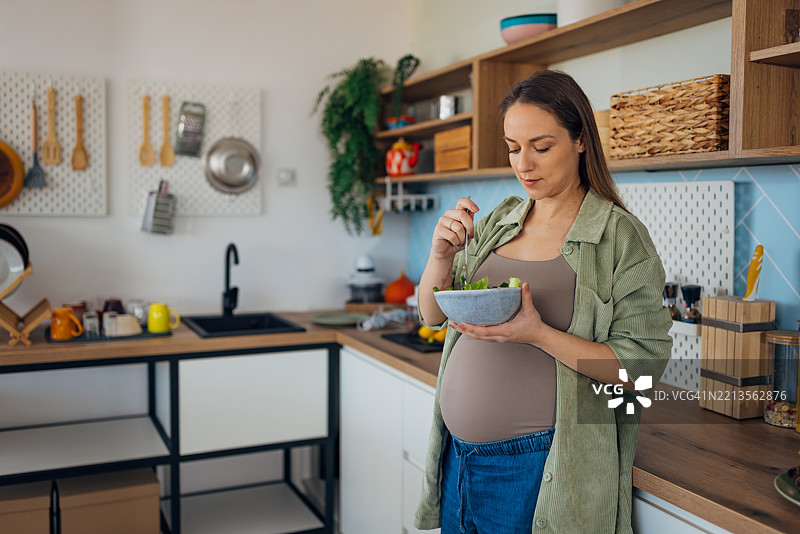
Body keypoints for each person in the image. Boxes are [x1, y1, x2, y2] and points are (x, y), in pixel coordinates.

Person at [413, 70, 673, 534]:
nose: (523, 164)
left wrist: (537, 334)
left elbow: (641, 368)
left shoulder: (619, 237)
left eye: (541, 146)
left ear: (579, 141)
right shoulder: (501, 219)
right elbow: (433, 316)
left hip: (537, 467)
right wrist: (439, 256)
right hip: (457, 457)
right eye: (514, 147)